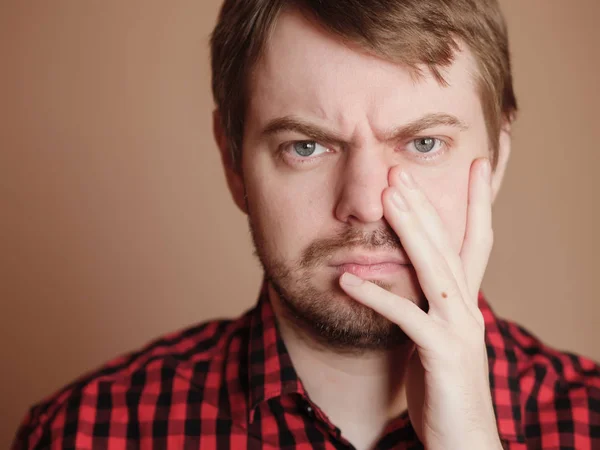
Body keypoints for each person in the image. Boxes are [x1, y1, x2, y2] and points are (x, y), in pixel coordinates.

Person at [12, 0, 600, 449]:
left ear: (496, 157)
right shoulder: (83, 432)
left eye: (424, 143)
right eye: (306, 147)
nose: (366, 203)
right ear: (232, 162)